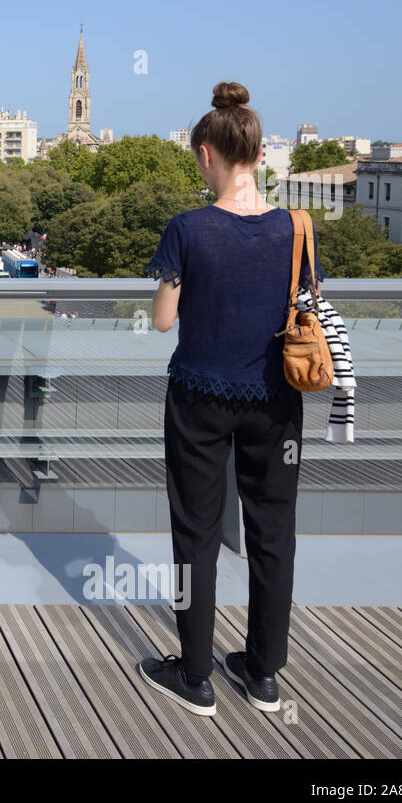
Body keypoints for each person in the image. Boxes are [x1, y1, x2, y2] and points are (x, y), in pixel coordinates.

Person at [136, 81, 323, 717]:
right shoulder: (296, 229)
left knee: (195, 533)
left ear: (207, 154)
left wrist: (181, 288)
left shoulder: (187, 229)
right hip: (277, 401)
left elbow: (164, 320)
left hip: (198, 396)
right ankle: (263, 673)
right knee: (274, 534)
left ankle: (195, 676)